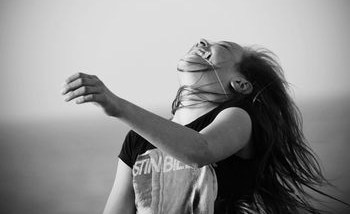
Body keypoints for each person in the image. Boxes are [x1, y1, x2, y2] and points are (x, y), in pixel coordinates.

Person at [61, 39, 341, 213]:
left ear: (240, 84)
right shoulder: (137, 140)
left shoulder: (238, 117)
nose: (202, 41)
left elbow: (199, 150)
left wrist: (118, 106)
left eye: (224, 48)